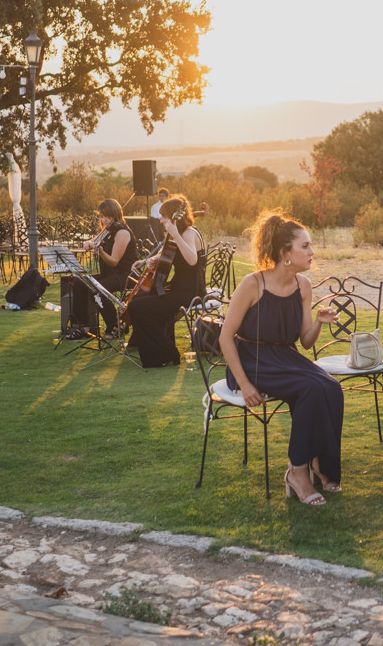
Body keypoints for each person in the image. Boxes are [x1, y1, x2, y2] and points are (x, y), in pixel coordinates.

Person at [218, 212, 342, 505]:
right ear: (286, 253)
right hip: (251, 359)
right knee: (312, 387)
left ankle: (319, 464)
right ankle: (297, 472)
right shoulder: (253, 284)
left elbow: (305, 341)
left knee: (331, 387)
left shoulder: (304, 286)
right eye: (305, 246)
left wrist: (320, 323)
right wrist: (246, 385)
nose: (312, 252)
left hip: (286, 357)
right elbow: (225, 337)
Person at [121, 194, 206, 367]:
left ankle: (167, 353)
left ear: (175, 218)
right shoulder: (181, 234)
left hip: (190, 293)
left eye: (164, 217)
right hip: (179, 288)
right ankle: (157, 350)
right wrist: (149, 260)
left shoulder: (188, 233)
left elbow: (191, 259)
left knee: (138, 306)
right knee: (136, 300)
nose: (161, 221)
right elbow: (171, 253)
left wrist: (174, 233)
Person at [84, 198, 134, 335]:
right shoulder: (107, 231)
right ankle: (83, 326)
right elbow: (91, 241)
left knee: (99, 290)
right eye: (101, 216)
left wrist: (101, 251)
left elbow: (114, 261)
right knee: (81, 282)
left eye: (106, 216)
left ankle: (116, 325)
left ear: (115, 216)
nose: (103, 220)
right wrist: (88, 243)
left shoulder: (122, 233)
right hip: (109, 274)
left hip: (125, 275)